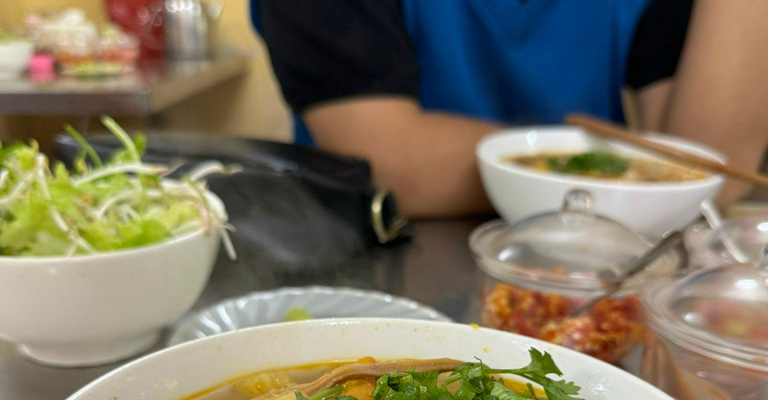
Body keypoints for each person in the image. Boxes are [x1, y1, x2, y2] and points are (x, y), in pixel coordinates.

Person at [253, 0, 768, 218]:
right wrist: (647, 175)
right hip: (376, 245)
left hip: (594, 257)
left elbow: (712, 171)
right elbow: (389, 159)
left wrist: (676, 176)